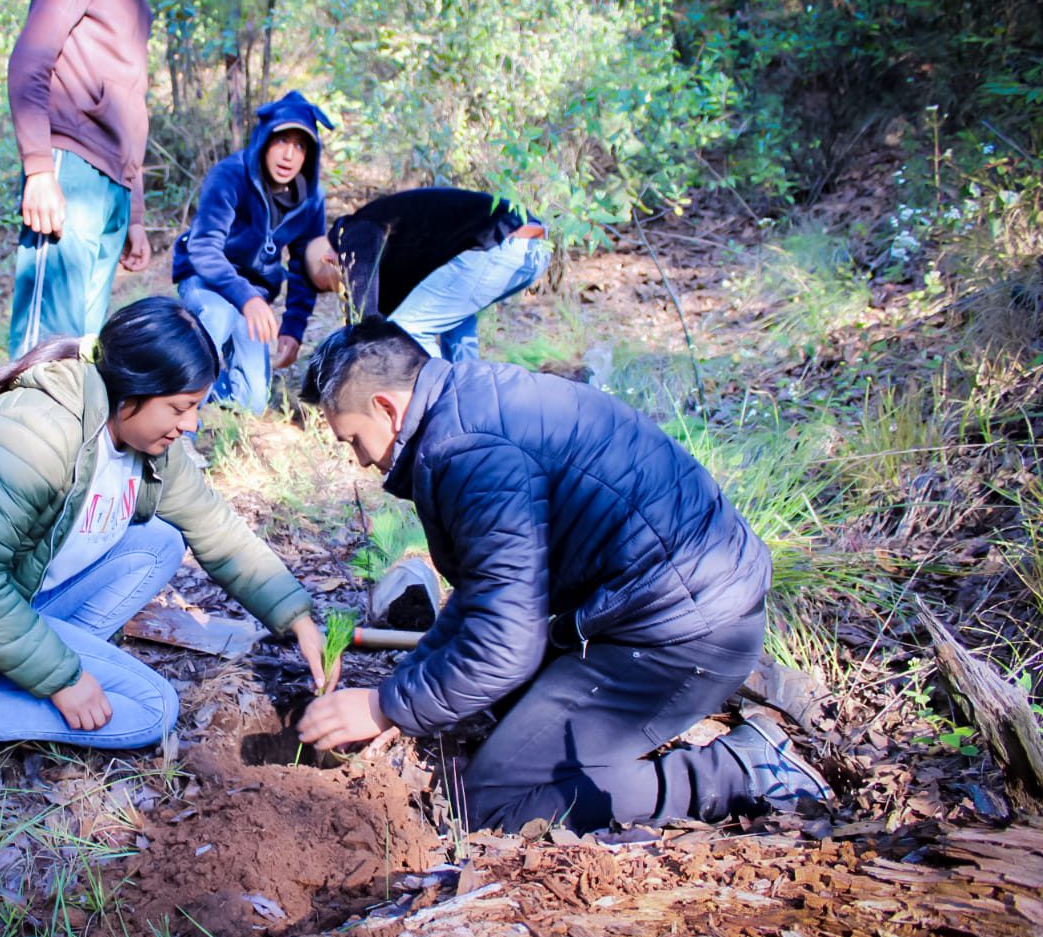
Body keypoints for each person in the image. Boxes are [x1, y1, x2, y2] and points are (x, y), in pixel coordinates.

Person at [294, 318, 833, 834]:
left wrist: (384, 706)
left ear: (387, 408)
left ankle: (744, 769)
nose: (361, 461)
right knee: (488, 712)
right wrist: (414, 675)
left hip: (687, 634)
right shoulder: (471, 404)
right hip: (664, 606)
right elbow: (487, 595)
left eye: (353, 440)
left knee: (494, 802)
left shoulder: (470, 451)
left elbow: (506, 644)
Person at [0, 297, 329, 799]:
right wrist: (63, 679)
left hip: (15, 603)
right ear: (133, 392)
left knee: (160, 542)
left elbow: (215, 526)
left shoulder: (150, 444)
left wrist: (296, 617)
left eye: (196, 407)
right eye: (180, 407)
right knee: (152, 709)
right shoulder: (36, 433)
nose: (191, 424)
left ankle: (22, 674)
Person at [7, 0, 211, 357]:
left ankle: (67, 426)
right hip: (70, 167)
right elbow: (32, 58)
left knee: (82, 345)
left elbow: (132, 113)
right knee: (46, 344)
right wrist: (40, 169)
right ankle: (20, 423)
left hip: (114, 188)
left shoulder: (138, 6)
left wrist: (135, 214)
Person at [172, 91, 338, 412]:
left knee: (253, 403)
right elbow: (203, 248)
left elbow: (304, 266)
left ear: (310, 154)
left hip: (253, 296)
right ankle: (179, 418)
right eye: (281, 141)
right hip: (207, 281)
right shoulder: (231, 175)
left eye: (300, 145)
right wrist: (246, 298)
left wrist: (293, 327)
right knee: (217, 316)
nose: (289, 155)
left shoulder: (311, 197)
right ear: (264, 140)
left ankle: (212, 379)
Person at [307, 187, 550, 362]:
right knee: (454, 327)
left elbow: (367, 320)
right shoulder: (394, 251)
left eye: (335, 283)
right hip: (531, 244)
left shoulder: (353, 231)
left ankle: (439, 410)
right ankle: (470, 404)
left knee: (405, 332)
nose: (343, 290)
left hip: (501, 243)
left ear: (330, 259)